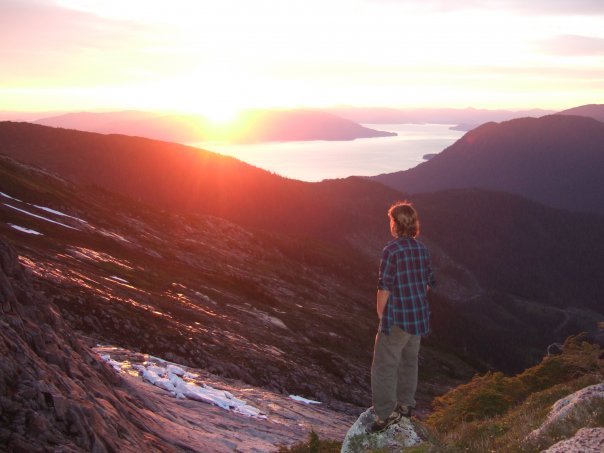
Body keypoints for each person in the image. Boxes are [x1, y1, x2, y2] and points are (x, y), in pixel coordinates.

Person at [370, 201, 435, 433]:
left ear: (395, 224)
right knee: (409, 362)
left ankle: (385, 416)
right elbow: (427, 284)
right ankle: (406, 406)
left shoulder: (392, 250)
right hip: (417, 318)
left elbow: (384, 287)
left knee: (384, 366)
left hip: (396, 318)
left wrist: (381, 314)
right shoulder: (422, 249)